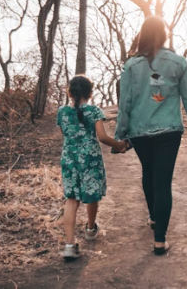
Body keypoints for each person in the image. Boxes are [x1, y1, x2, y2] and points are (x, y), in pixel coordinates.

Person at [115, 16, 187, 255]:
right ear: (164, 35)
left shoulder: (131, 65)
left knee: (148, 172)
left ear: (143, 35)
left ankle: (155, 217)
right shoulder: (178, 63)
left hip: (139, 131)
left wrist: (121, 135)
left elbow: (125, 102)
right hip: (169, 130)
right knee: (163, 180)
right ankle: (159, 240)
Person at [57, 75, 128, 261]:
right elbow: (103, 137)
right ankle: (90, 229)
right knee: (92, 193)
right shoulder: (94, 111)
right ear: (90, 92)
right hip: (90, 158)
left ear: (70, 92)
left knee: (71, 198)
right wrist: (119, 145)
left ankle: (70, 245)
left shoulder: (62, 112)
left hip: (69, 158)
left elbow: (65, 135)